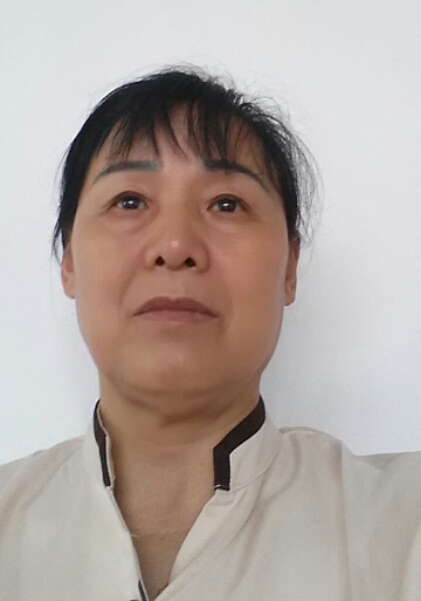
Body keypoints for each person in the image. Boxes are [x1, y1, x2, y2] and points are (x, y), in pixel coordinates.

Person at [0, 67, 420, 601]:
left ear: (289, 269)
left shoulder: (403, 529)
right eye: (129, 201)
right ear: (70, 263)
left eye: (227, 203)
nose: (175, 246)